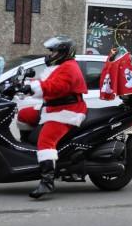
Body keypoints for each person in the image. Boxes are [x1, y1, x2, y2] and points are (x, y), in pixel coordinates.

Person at [16, 36, 88, 199]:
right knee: (23, 115)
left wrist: (33, 87)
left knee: (46, 140)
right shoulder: (60, 66)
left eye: (54, 50)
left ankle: (47, 182)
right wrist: (23, 85)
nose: (51, 54)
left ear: (63, 52)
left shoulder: (70, 67)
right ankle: (28, 148)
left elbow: (56, 86)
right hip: (51, 107)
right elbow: (46, 82)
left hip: (66, 111)